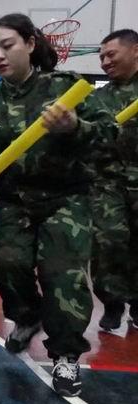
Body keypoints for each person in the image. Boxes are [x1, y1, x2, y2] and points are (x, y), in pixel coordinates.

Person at [0, 13, 118, 397]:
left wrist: (74, 127)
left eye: (7, 46)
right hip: (14, 200)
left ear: (30, 44)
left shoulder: (67, 90)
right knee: (5, 263)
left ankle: (66, 354)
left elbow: (110, 134)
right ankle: (27, 317)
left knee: (63, 276)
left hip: (66, 198)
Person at [90, 29, 138, 332]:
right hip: (108, 184)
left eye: (111, 54)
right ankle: (112, 302)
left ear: (135, 51)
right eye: (102, 57)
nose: (105, 62)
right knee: (108, 242)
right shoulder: (99, 98)